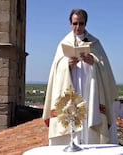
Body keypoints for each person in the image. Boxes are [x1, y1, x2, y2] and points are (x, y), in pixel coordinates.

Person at [42, 9, 118, 145]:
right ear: (70, 24)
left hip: (90, 91)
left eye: (81, 24)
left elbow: (104, 68)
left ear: (86, 24)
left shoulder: (95, 43)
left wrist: (93, 63)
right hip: (71, 89)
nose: (78, 27)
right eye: (75, 24)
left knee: (89, 120)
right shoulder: (63, 44)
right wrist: (67, 65)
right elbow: (56, 70)